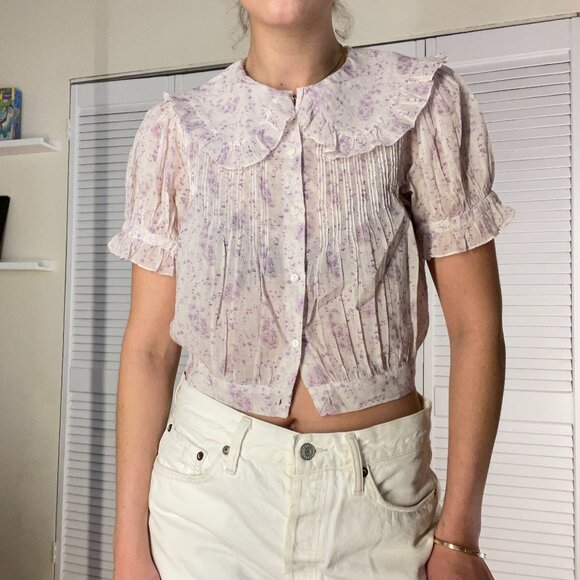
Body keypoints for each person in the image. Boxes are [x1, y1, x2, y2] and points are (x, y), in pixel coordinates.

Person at [108, 1, 515, 579]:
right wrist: (129, 543)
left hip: (377, 507)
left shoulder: (421, 102)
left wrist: (460, 537)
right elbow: (149, 350)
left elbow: (476, 329)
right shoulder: (178, 129)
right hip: (203, 505)